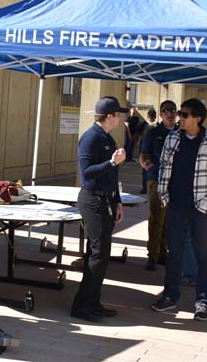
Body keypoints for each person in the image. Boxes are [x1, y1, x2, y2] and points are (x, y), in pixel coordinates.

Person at [150, 98, 207, 321]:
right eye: (179, 114)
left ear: (197, 118)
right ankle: (170, 296)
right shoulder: (172, 138)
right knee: (174, 253)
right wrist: (162, 192)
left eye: (184, 115)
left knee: (203, 254)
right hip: (175, 205)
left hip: (201, 208)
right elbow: (164, 167)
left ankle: (203, 301)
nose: (179, 118)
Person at [71, 96, 127, 322]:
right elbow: (87, 174)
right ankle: (81, 305)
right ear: (110, 116)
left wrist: (118, 201)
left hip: (106, 201)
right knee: (97, 254)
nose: (121, 117)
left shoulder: (107, 138)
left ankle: (93, 302)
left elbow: (112, 176)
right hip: (92, 200)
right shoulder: (90, 138)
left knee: (102, 255)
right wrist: (111, 162)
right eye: (118, 114)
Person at [139, 100, 176, 270]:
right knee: (156, 217)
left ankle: (163, 253)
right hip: (157, 180)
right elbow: (144, 154)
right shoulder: (153, 133)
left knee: (169, 219)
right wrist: (145, 162)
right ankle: (152, 256)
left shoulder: (182, 133)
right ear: (160, 114)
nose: (169, 113)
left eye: (172, 110)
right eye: (166, 110)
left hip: (176, 182)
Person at [140, 108, 157, 193]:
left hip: (149, 151)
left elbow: (138, 134)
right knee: (146, 170)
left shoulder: (146, 124)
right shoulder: (145, 124)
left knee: (147, 170)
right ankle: (145, 188)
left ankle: (146, 188)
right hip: (147, 151)